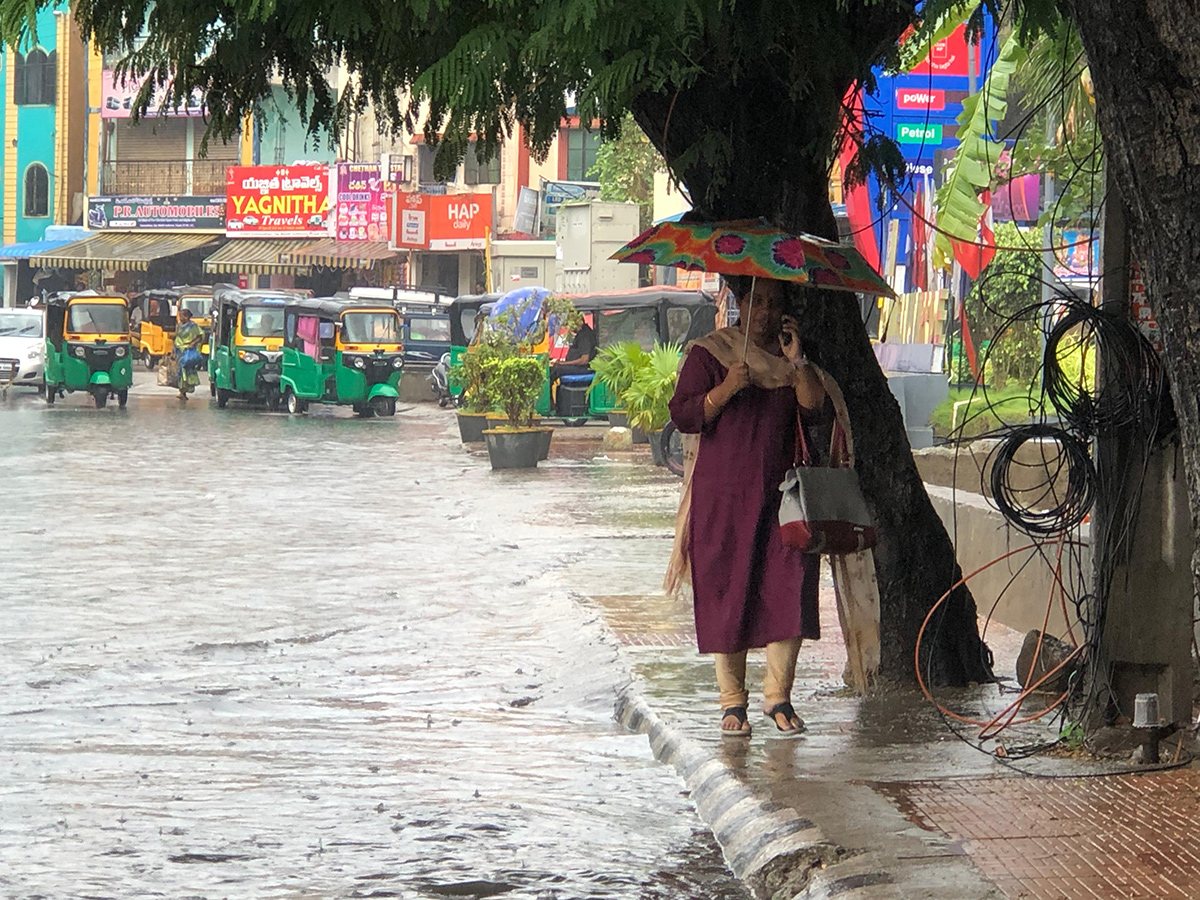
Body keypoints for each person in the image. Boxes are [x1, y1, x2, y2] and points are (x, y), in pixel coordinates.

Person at [666, 276, 828, 738]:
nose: (767, 313)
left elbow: (815, 411)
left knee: (789, 587)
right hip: (723, 498)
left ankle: (778, 697)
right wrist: (724, 391)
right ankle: (731, 702)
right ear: (740, 302)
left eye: (776, 305)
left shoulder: (790, 360)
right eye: (758, 303)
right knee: (728, 591)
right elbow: (682, 413)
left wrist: (797, 362)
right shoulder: (711, 353)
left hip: (783, 499)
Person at [549, 320, 598, 384]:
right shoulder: (581, 332)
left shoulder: (584, 335)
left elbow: (584, 360)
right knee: (554, 367)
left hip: (583, 368)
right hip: (578, 367)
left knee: (555, 370)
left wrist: (564, 363)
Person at [173, 308, 204, 400]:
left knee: (185, 370)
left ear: (186, 317)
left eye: (181, 316)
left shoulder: (193, 326)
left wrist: (192, 343)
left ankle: (183, 391)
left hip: (187, 351)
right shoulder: (179, 325)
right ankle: (182, 391)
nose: (180, 318)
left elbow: (200, 335)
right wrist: (172, 351)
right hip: (179, 350)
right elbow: (176, 337)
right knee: (179, 371)